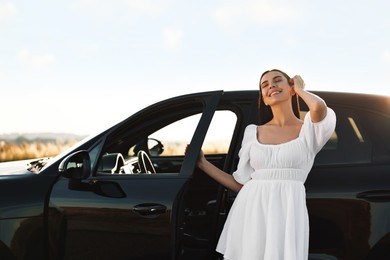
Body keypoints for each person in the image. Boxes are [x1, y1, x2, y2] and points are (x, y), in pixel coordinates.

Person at [192, 69, 336, 260]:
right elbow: (241, 184)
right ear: (264, 98)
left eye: (277, 81)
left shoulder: (309, 131)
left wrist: (301, 89)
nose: (271, 86)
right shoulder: (253, 132)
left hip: (287, 210)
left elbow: (318, 107)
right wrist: (203, 164)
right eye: (265, 85)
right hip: (251, 210)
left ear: (291, 88)